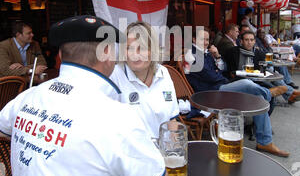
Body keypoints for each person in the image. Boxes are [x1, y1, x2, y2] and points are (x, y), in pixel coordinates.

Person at [0, 15, 170, 176]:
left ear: (61, 55)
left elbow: (3, 130)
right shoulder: (119, 118)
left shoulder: (25, 98)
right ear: (107, 53)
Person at [185, 27, 289, 157]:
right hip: (209, 93)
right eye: (202, 39)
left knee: (258, 98)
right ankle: (269, 93)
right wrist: (220, 75)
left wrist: (217, 56)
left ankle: (265, 142)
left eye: (207, 39)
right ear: (194, 39)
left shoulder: (206, 52)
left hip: (218, 87)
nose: (206, 42)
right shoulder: (192, 54)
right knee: (246, 83)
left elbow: (223, 68)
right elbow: (209, 75)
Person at [110, 21, 179, 139]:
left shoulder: (163, 73)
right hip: (131, 154)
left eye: (141, 48)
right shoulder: (114, 75)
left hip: (162, 151)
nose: (134, 55)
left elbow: (172, 120)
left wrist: (174, 149)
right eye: (129, 48)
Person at [224, 30, 300, 104]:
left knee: (272, 78)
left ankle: (290, 94)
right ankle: (291, 93)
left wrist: (276, 59)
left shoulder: (258, 52)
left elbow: (268, 56)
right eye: (246, 40)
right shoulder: (233, 52)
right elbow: (226, 65)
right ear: (241, 41)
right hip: (239, 79)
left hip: (256, 78)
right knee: (272, 86)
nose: (249, 42)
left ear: (254, 41)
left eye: (251, 40)